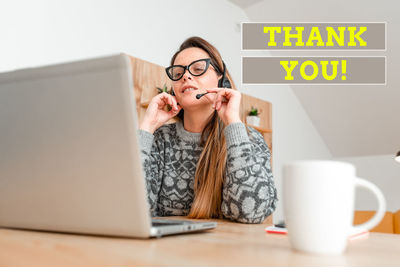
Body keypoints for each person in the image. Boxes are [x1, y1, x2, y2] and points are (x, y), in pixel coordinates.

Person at [138, 36, 277, 224]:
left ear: (222, 82)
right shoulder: (160, 140)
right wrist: (146, 128)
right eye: (178, 73)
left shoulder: (249, 139)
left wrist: (233, 123)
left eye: (198, 69)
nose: (186, 76)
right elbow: (132, 208)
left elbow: (251, 212)